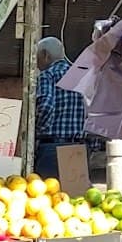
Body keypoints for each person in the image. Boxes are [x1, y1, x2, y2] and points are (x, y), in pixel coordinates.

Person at [34, 36, 88, 180]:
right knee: (74, 197)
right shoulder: (81, 75)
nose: (36, 63)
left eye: (37, 57)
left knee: (48, 196)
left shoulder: (48, 75)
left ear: (45, 55)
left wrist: (36, 132)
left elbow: (45, 106)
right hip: (79, 147)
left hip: (53, 148)